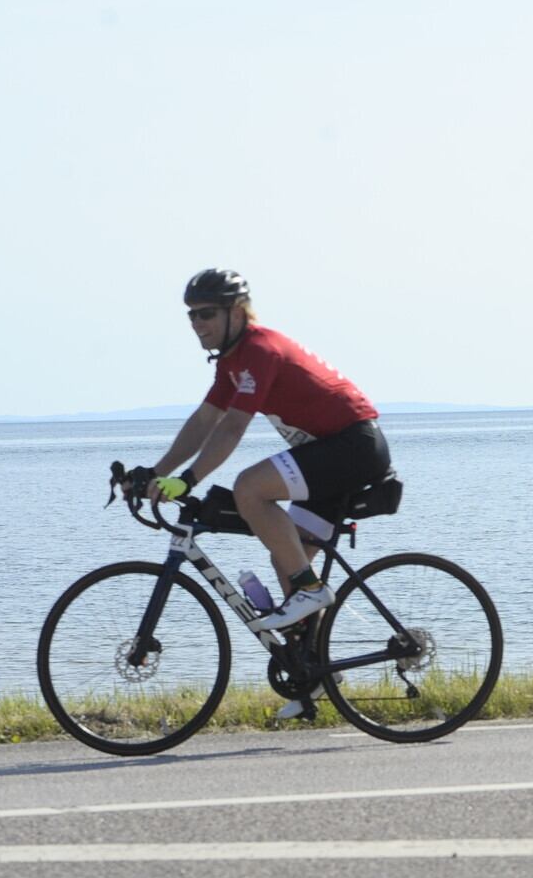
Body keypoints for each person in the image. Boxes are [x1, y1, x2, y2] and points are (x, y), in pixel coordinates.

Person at [130, 270, 391, 656]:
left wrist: (188, 480)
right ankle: (311, 670)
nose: (197, 323)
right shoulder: (231, 362)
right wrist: (156, 473)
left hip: (354, 446)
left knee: (249, 488)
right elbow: (205, 420)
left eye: (206, 313)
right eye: (191, 315)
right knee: (286, 558)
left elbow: (233, 426)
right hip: (331, 452)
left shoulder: (260, 350)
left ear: (236, 312)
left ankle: (311, 590)